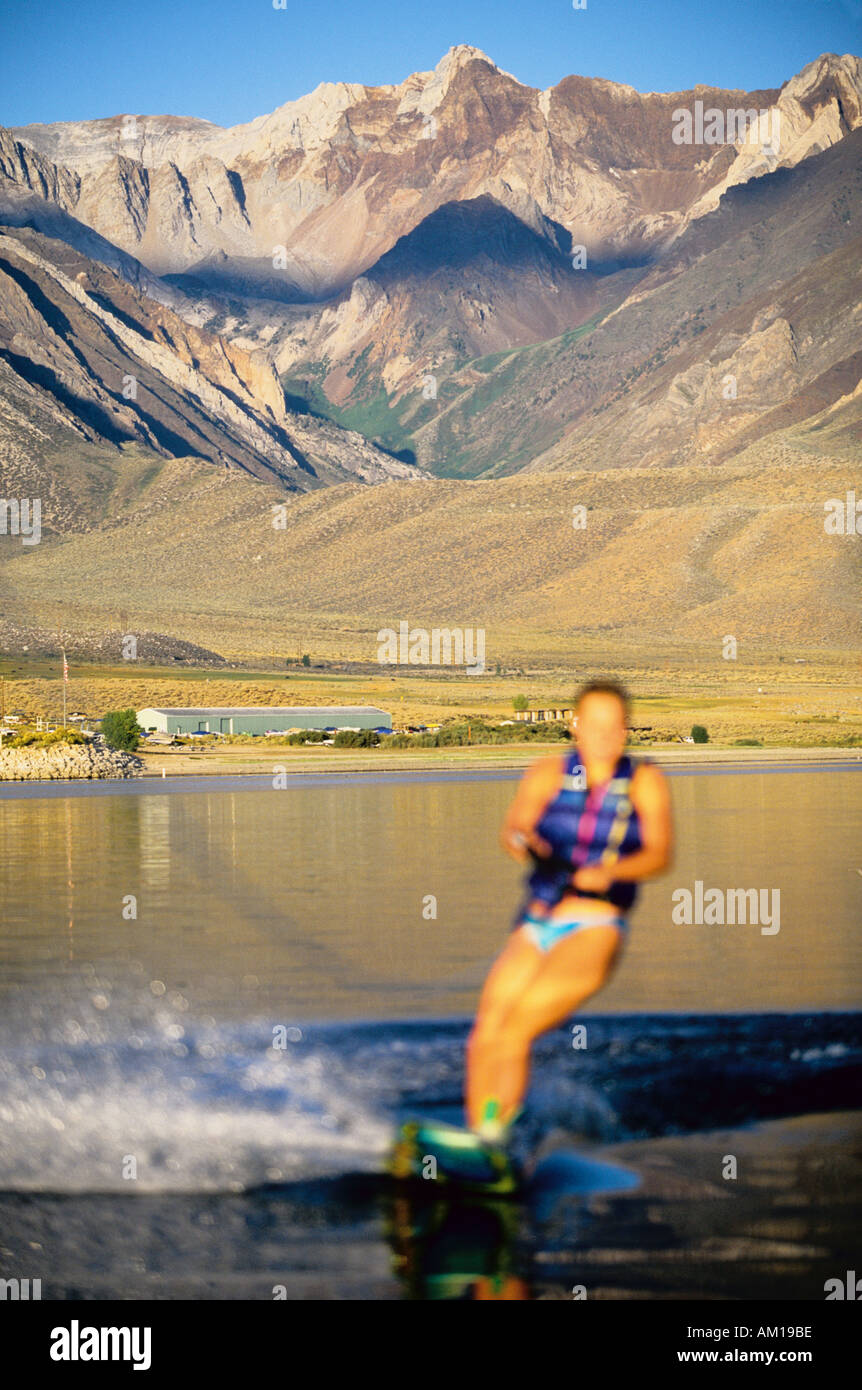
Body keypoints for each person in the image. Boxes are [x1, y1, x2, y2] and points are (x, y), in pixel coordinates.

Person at [465, 680, 673, 1144]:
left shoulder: (645, 781)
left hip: (596, 925)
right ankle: (480, 1140)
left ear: (626, 730)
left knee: (515, 1031)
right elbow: (513, 829)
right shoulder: (546, 773)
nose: (603, 734)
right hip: (537, 921)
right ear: (575, 725)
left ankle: (498, 1141)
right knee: (486, 1035)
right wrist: (523, 842)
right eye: (593, 724)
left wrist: (611, 871)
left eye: (614, 725)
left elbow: (660, 855)